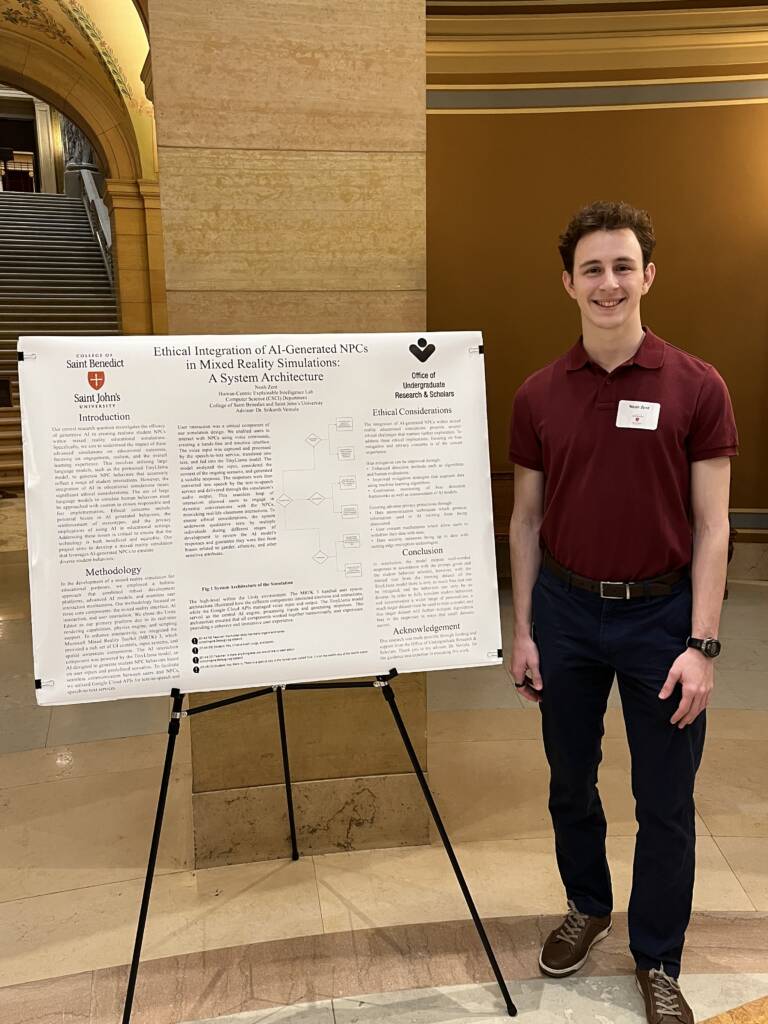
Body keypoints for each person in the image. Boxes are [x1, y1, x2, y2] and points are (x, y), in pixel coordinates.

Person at [507, 200, 738, 1024]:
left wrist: (702, 644)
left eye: (623, 266)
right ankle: (587, 904)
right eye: (593, 268)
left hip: (662, 617)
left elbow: (714, 526)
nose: (609, 283)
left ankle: (658, 956)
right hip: (566, 613)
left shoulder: (697, 386)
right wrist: (524, 629)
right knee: (570, 779)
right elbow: (526, 519)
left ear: (649, 275)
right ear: (568, 281)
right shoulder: (539, 395)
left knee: (665, 802)